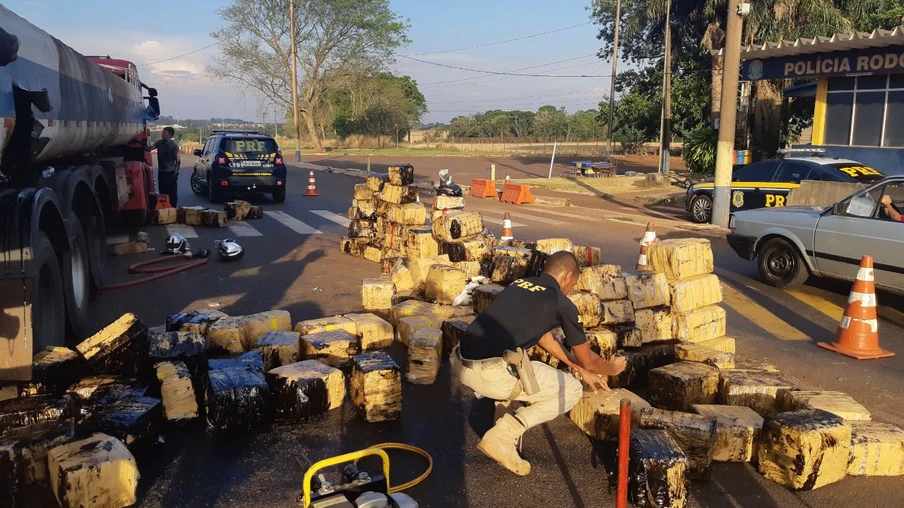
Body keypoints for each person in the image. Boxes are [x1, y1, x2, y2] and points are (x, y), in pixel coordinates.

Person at [452, 251, 627, 476]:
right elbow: (591, 361)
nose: (571, 289)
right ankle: (502, 437)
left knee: (521, 358)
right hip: (487, 374)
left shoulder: (520, 284)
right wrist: (612, 367)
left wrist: (578, 368)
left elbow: (546, 338)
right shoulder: (561, 304)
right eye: (573, 283)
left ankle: (502, 408)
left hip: (461, 360)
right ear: (567, 276)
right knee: (571, 389)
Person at [146, 126, 180, 206]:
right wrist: (146, 137)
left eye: (164, 133)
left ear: (170, 135)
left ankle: (173, 208)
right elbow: (148, 149)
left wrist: (175, 172)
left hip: (170, 173)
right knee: (162, 192)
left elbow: (178, 161)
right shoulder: (159, 143)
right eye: (162, 132)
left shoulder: (174, 146)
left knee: (172, 193)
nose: (162, 134)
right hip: (161, 172)